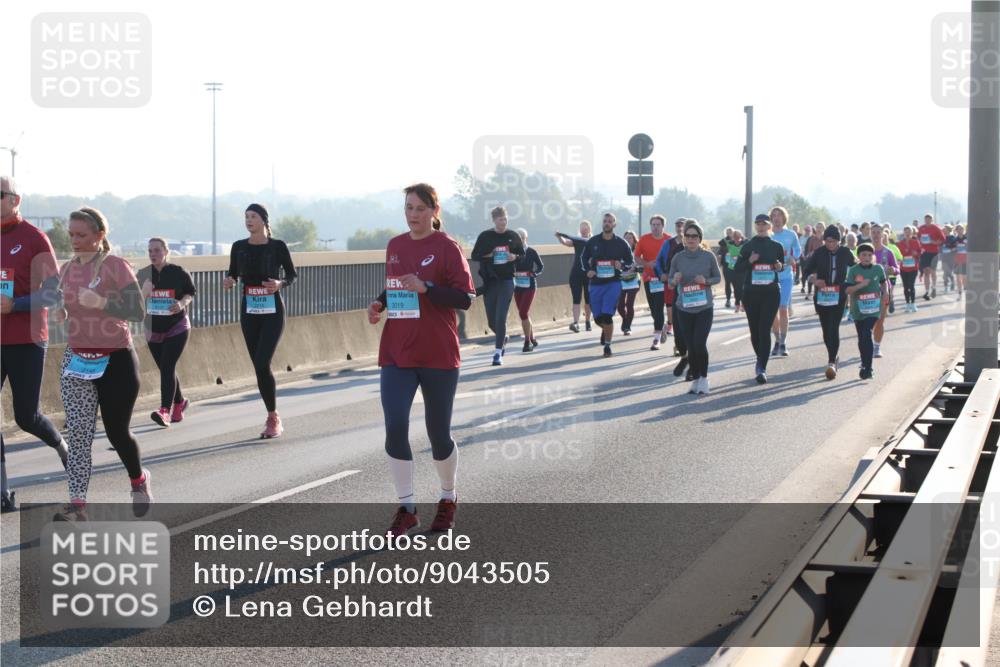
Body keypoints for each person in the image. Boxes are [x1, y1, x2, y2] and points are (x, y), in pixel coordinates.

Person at [367, 183, 476, 537]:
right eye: (408, 208)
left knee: (438, 432)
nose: (412, 215)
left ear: (434, 211)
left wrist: (427, 289)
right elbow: (397, 285)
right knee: (395, 425)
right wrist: (380, 303)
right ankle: (407, 507)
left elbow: (465, 298)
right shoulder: (395, 245)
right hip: (398, 350)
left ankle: (448, 497)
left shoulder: (447, 248)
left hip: (438, 352)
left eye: (419, 209)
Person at [53, 208, 149, 522]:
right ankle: (77, 506)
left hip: (115, 360)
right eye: (71, 235)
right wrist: (61, 313)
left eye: (82, 235)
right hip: (77, 359)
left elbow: (137, 311)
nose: (75, 241)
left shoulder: (115, 266)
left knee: (116, 432)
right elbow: (66, 302)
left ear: (99, 236)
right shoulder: (67, 269)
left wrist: (103, 303)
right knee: (79, 436)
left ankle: (138, 480)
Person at [0, 176, 68, 513]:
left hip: (27, 338)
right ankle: (2, 493)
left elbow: (52, 292)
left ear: (15, 200)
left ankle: (60, 445)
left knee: (26, 417)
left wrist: (17, 304)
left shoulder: (34, 238)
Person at [224, 203, 297, 438]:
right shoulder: (238, 247)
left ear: (264, 220)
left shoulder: (277, 247)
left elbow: (292, 275)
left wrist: (280, 284)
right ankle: (271, 412)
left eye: (253, 216)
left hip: (272, 310)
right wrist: (230, 280)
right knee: (258, 364)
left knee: (263, 362)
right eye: (246, 216)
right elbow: (233, 272)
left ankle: (273, 418)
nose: (248, 220)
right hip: (250, 310)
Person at [137, 237, 196, 427]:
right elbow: (134, 304)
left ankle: (164, 411)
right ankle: (179, 402)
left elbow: (190, 293)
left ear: (166, 251)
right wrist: (144, 292)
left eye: (157, 250)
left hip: (177, 327)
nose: (153, 254)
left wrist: (181, 303)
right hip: (153, 329)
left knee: (168, 366)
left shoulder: (178, 272)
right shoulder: (143, 274)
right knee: (165, 368)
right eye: (150, 251)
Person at [668, 221, 721, 395]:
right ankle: (696, 378)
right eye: (688, 236)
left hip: (704, 308)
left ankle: (704, 378)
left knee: (699, 343)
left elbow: (717, 278)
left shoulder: (708, 256)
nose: (691, 239)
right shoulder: (678, 258)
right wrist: (674, 280)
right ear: (684, 238)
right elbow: (669, 283)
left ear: (699, 239)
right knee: (691, 347)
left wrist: (705, 281)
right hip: (684, 308)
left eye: (694, 236)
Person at [735, 213, 785, 384]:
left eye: (764, 224)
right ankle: (760, 359)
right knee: (755, 332)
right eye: (758, 224)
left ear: (769, 225)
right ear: (755, 226)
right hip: (751, 293)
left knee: (764, 329)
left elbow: (781, 266)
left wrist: (779, 266)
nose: (761, 227)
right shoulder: (748, 246)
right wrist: (750, 260)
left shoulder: (776, 246)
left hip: (771, 293)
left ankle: (761, 367)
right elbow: (737, 269)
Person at [472, 206, 524, 366]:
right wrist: (490, 254)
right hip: (490, 282)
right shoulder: (486, 236)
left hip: (507, 281)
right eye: (500, 219)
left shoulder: (513, 236)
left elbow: (522, 255)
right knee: (492, 322)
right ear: (494, 220)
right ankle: (503, 337)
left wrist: (513, 256)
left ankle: (497, 354)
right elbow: (475, 256)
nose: (504, 221)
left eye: (505, 218)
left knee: (501, 317)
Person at [802, 225, 855, 379]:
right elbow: (806, 271)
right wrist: (814, 279)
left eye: (832, 241)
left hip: (839, 295)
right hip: (822, 296)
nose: (829, 244)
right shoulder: (819, 253)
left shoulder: (845, 253)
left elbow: (856, 267)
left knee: (834, 327)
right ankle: (832, 356)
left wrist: (855, 284)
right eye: (826, 241)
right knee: (826, 330)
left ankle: (832, 361)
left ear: (838, 241)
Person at [581, 213, 634, 358]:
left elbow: (630, 261)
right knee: (598, 318)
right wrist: (589, 270)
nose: (607, 223)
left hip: (613, 283)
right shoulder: (593, 241)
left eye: (610, 221)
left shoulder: (621, 243)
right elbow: (583, 258)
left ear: (614, 225)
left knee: (607, 316)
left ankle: (608, 346)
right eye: (605, 221)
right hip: (596, 284)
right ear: (602, 223)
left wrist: (621, 265)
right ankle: (606, 330)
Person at [844, 243, 889, 380]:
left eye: (870, 255)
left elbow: (883, 282)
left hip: (874, 309)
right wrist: (861, 285)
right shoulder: (853, 270)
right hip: (858, 309)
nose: (867, 257)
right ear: (859, 256)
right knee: (861, 337)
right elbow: (848, 290)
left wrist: (886, 292)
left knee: (867, 332)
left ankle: (868, 368)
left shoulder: (878, 268)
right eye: (864, 255)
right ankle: (864, 363)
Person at [768, 206, 801, 357]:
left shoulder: (790, 234)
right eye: (774, 215)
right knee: (773, 310)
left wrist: (793, 258)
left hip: (786, 277)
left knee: (783, 308)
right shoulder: (767, 235)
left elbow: (798, 250)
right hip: (769, 278)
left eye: (779, 215)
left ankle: (783, 342)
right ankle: (776, 341)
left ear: (784, 218)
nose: (776, 218)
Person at [634, 215, 670, 350]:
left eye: (658, 225)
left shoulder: (668, 240)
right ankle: (662, 328)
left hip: (663, 279)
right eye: (653, 225)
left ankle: (656, 339)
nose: (655, 227)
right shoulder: (644, 239)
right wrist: (647, 263)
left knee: (659, 307)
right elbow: (636, 257)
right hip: (649, 279)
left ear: (663, 226)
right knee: (654, 309)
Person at [555, 221, 593, 332]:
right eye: (582, 228)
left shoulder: (593, 241)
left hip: (588, 273)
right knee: (576, 299)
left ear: (589, 229)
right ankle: (576, 323)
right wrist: (559, 237)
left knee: (588, 299)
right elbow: (566, 242)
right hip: (576, 273)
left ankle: (587, 321)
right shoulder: (577, 240)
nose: (583, 230)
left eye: (586, 228)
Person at [512, 227, 543, 352]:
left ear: (526, 238)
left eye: (522, 237)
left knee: (523, 312)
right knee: (523, 314)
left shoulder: (531, 251)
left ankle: (527, 342)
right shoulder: (513, 253)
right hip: (517, 285)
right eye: (517, 237)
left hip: (529, 286)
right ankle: (532, 337)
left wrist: (534, 273)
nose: (520, 239)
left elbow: (541, 266)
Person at [871, 226, 898, 359]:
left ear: (883, 235)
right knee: (869, 321)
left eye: (878, 233)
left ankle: (876, 347)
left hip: (883, 290)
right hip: (867, 290)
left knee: (880, 320)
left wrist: (892, 269)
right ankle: (868, 344)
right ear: (870, 234)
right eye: (873, 233)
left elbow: (897, 269)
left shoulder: (888, 252)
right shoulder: (865, 251)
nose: (876, 235)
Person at [616, 230, 640, 335]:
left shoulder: (637, 251)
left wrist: (635, 267)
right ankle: (625, 320)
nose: (628, 239)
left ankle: (627, 326)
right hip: (621, 281)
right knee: (620, 306)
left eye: (630, 237)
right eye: (626, 238)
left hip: (634, 281)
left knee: (629, 304)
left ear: (634, 240)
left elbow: (641, 264)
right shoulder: (618, 251)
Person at [918, 213, 946, 300]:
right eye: (926, 219)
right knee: (926, 271)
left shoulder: (936, 228)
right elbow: (917, 238)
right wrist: (920, 243)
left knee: (932, 271)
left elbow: (943, 239)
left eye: (929, 219)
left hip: (934, 252)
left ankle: (933, 287)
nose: (927, 221)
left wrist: (934, 242)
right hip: (924, 253)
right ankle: (927, 291)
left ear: (932, 220)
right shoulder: (921, 228)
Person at [897, 225, 922, 313]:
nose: (907, 234)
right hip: (903, 268)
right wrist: (900, 258)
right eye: (906, 232)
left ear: (912, 233)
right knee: (905, 286)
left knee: (911, 285)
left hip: (913, 267)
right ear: (904, 233)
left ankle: (913, 303)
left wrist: (916, 253)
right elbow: (898, 255)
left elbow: (920, 253)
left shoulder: (916, 242)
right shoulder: (900, 243)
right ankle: (907, 304)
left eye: (909, 232)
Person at [722, 229, 746, 313]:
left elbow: (746, 256)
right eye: (735, 237)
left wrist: (739, 257)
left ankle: (743, 305)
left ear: (741, 237)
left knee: (742, 288)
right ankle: (737, 304)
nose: (736, 239)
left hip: (742, 269)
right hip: (732, 269)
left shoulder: (745, 245)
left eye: (738, 237)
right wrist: (729, 257)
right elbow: (726, 256)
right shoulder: (729, 245)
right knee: (736, 288)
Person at [801, 223, 824, 298]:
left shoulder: (826, 238)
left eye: (820, 227)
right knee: (811, 276)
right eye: (817, 227)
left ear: (823, 229)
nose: (819, 229)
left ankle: (817, 293)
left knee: (820, 277)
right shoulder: (811, 238)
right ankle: (809, 292)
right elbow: (808, 250)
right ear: (815, 228)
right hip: (813, 260)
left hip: (823, 260)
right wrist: (809, 254)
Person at [941, 224, 957, 292]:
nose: (944, 230)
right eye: (943, 229)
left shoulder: (952, 238)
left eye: (945, 229)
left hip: (951, 257)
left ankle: (952, 280)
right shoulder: (942, 238)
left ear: (948, 230)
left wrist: (950, 250)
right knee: (945, 273)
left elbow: (956, 247)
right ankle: (946, 287)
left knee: (949, 272)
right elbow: (940, 246)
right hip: (944, 257)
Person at [953, 224, 968, 299]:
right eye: (958, 229)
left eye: (961, 229)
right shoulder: (955, 240)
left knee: (964, 277)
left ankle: (965, 290)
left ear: (963, 230)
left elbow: (970, 249)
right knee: (958, 277)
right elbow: (951, 249)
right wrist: (955, 247)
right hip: (957, 260)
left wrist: (966, 246)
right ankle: (959, 294)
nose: (960, 230)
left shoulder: (967, 238)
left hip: (965, 260)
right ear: (956, 230)